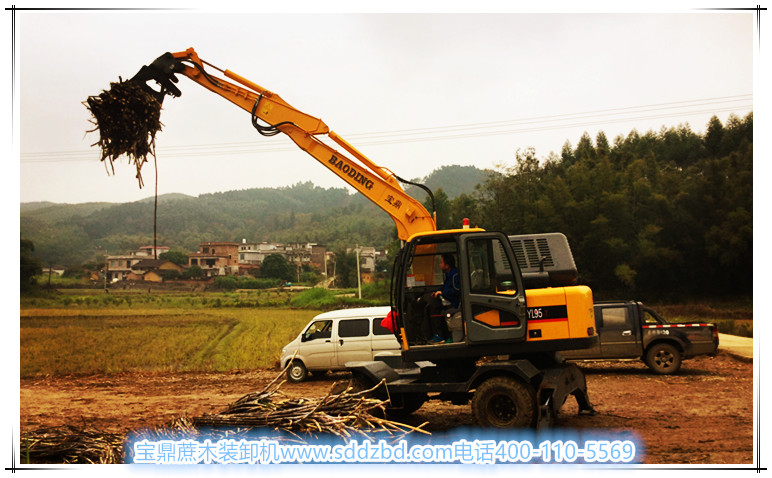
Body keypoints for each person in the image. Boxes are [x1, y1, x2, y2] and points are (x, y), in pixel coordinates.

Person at [427, 254, 460, 343]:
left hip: (452, 303)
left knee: (434, 307)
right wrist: (438, 292)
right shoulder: (448, 275)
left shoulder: (455, 275)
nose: (439, 265)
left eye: (441, 263)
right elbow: (445, 288)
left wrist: (442, 293)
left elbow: (457, 290)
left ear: (447, 265)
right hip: (447, 301)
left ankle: (439, 334)